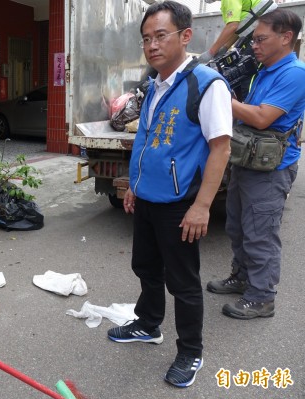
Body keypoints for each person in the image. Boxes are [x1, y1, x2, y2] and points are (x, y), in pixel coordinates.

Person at [106, 1, 232, 388]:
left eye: (161, 35)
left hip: (179, 206)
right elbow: (144, 141)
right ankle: (148, 324)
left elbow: (220, 148)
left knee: (184, 282)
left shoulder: (206, 84)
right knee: (146, 268)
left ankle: (191, 351)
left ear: (185, 36)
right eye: (146, 38)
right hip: (147, 200)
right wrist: (133, 186)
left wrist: (202, 206)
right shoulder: (154, 84)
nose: (152, 45)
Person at [207, 9, 305, 319]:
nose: (254, 46)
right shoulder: (265, 70)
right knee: (236, 224)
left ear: (286, 37)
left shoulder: (295, 73)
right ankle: (243, 277)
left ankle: (262, 297)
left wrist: (221, 97)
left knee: (260, 231)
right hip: (247, 161)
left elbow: (262, 117)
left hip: (271, 170)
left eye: (261, 39)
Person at [198, 0, 277, 63]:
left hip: (265, 27)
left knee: (245, 65)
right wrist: (225, 47)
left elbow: (232, 26)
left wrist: (211, 52)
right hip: (267, 24)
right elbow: (240, 27)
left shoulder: (228, 1)